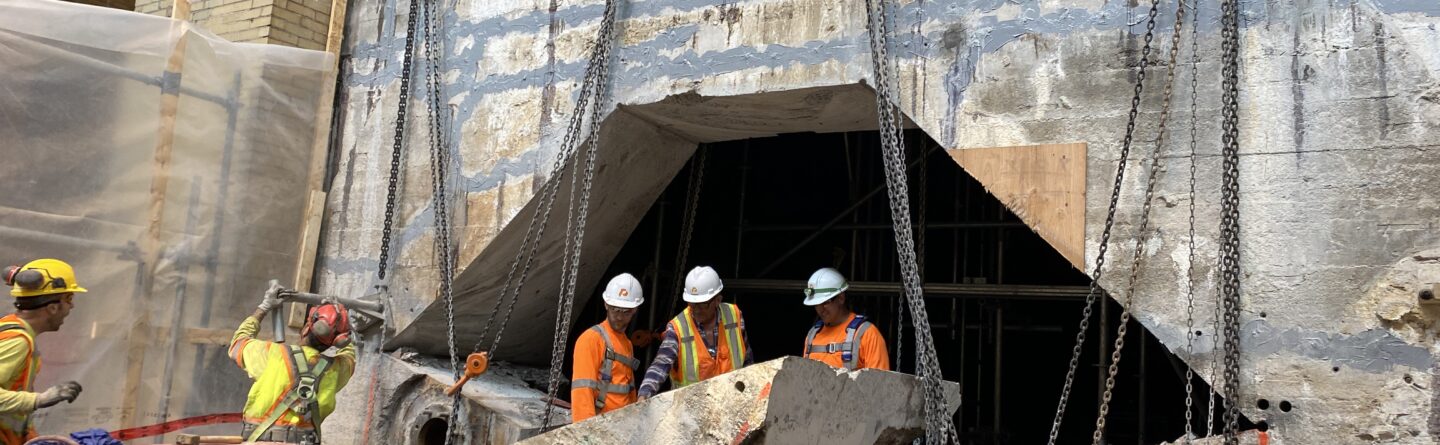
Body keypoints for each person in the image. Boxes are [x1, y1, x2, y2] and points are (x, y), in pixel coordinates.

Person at [229, 282, 355, 444]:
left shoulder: (275, 355)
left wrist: (264, 306)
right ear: (335, 342)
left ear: (306, 329)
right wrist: (347, 330)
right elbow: (349, 356)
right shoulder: (336, 370)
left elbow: (238, 343)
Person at [0, 259, 85, 445]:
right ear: (53, 307)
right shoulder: (17, 341)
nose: (72, 306)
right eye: (69, 299)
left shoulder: (8, 326)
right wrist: (41, 399)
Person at [637, 266, 753, 399]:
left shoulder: (734, 316)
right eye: (692, 303)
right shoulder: (677, 328)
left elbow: (747, 360)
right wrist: (644, 394)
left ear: (717, 300)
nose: (696, 309)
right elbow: (661, 363)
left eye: (702, 304)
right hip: (690, 412)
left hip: (730, 404)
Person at [571, 273, 645, 422]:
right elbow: (582, 391)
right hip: (599, 425)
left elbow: (629, 390)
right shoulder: (591, 339)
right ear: (606, 304)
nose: (619, 316)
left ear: (635, 309)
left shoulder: (627, 344)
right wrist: (585, 433)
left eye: (626, 312)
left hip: (621, 425)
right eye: (615, 309)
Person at [800, 267, 889, 371]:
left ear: (841, 298)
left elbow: (880, 383)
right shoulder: (812, 336)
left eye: (825, 303)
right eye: (816, 305)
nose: (820, 310)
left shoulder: (867, 334)